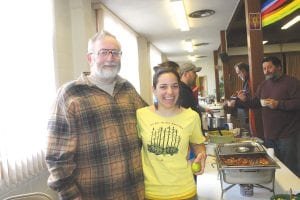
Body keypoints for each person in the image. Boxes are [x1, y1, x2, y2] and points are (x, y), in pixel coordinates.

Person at [45, 31, 147, 200]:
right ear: (90, 58)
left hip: (135, 192)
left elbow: (152, 124)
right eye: (103, 52)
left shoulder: (128, 89)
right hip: (95, 194)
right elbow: (57, 158)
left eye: (115, 53)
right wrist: (71, 196)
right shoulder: (70, 94)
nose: (110, 58)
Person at [136, 67, 206, 199]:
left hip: (185, 191)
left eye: (175, 86)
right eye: (163, 87)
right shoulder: (141, 115)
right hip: (152, 193)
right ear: (154, 90)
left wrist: (201, 154)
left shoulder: (191, 116)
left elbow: (198, 144)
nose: (170, 92)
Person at [236, 56, 300, 177]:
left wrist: (279, 104)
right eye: (264, 68)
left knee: (290, 169)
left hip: (288, 134)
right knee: (273, 167)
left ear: (279, 67)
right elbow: (255, 103)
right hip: (269, 135)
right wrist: (245, 100)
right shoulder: (264, 85)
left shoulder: (292, 82)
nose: (266, 71)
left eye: (269, 67)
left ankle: (294, 194)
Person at [225, 62, 251, 134]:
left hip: (253, 114)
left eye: (239, 73)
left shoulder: (251, 81)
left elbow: (249, 100)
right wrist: (238, 98)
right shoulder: (246, 81)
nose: (238, 76)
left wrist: (235, 102)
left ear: (244, 71)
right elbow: (244, 97)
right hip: (247, 113)